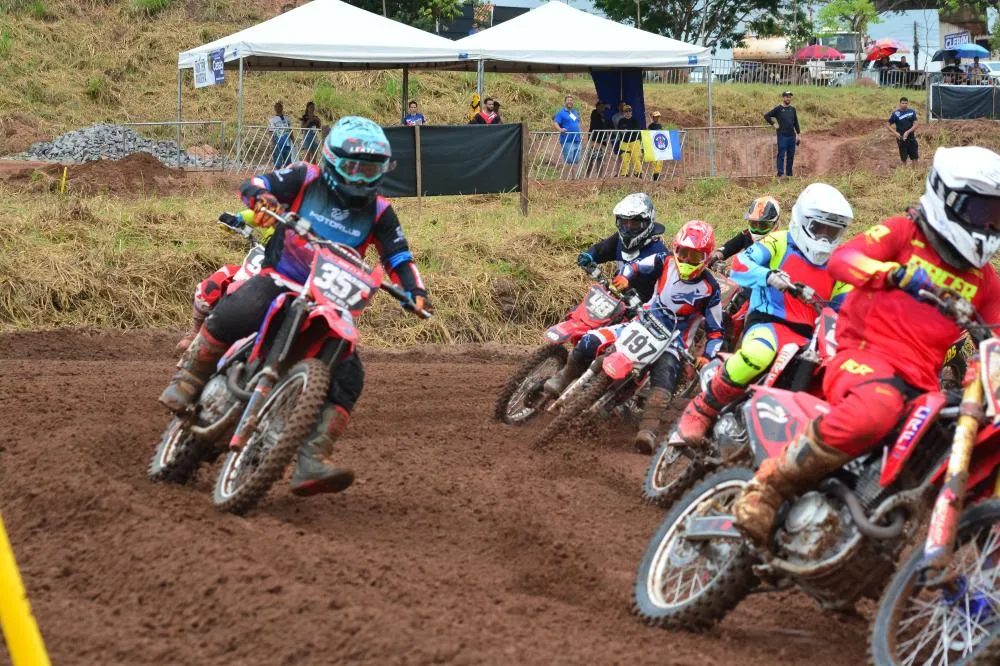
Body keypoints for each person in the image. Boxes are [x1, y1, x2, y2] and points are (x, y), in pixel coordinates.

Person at [730, 146, 1000, 547]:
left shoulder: (985, 280)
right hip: (864, 353)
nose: (989, 223)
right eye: (981, 211)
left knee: (963, 438)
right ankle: (768, 488)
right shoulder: (905, 232)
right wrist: (892, 274)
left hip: (923, 383)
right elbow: (844, 260)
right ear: (947, 198)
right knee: (876, 408)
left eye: (997, 215)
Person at [159, 116, 432, 497]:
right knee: (243, 306)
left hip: (331, 299)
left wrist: (416, 292)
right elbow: (256, 184)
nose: (362, 178)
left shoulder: (380, 211)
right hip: (282, 277)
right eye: (355, 167)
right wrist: (263, 199)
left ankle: (311, 459)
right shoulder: (305, 178)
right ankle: (188, 379)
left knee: (350, 375)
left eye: (371, 170)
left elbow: (399, 257)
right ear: (333, 161)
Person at [673, 184, 854, 447]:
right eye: (819, 228)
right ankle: (702, 409)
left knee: (827, 384)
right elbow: (742, 262)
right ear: (803, 221)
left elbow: (846, 303)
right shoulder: (779, 241)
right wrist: (768, 275)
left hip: (812, 338)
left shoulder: (840, 262)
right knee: (758, 353)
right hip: (770, 321)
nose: (824, 238)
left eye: (832, 231)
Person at [547, 220, 724, 453]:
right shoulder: (664, 260)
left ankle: (648, 429)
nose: (687, 260)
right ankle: (564, 376)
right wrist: (625, 277)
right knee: (591, 340)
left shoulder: (711, 289)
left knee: (664, 378)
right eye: (683, 253)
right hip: (643, 321)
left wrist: (707, 356)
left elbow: (716, 331)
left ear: (706, 257)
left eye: (695, 256)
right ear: (675, 249)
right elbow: (637, 266)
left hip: (674, 342)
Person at [175, 209, 272, 354]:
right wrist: (238, 218)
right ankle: (196, 332)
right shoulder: (287, 210)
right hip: (263, 262)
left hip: (295, 273)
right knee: (216, 282)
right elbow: (262, 214)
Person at [576, 192, 667, 302]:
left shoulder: (657, 250)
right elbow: (600, 250)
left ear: (647, 222)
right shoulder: (618, 240)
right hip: (617, 300)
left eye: (635, 223)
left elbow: (666, 292)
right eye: (624, 222)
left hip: (645, 308)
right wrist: (588, 255)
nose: (628, 228)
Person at [710, 195, 782, 264]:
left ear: (774, 224)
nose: (757, 229)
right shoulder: (747, 234)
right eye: (753, 224)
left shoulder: (780, 242)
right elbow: (731, 246)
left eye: (763, 225)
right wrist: (717, 255)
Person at [763, 91, 801, 177]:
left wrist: (798, 134)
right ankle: (780, 174)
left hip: (792, 136)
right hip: (782, 136)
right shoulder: (778, 109)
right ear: (783, 97)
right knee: (781, 155)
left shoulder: (792, 109)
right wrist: (774, 124)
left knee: (791, 156)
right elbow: (766, 116)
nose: (788, 98)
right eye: (787, 97)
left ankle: (789, 174)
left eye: (790, 97)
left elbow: (796, 122)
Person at [552, 95, 583, 165]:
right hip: (567, 140)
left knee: (576, 161)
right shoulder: (561, 113)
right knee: (569, 161)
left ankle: (573, 173)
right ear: (565, 102)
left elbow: (577, 122)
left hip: (577, 140)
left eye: (571, 100)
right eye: (568, 100)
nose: (570, 102)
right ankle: (567, 172)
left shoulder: (574, 112)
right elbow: (556, 122)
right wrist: (560, 129)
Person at [888, 96, 919, 165]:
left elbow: (916, 124)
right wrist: (895, 133)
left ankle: (915, 171)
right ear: (899, 104)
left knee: (915, 157)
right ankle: (904, 171)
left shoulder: (911, 112)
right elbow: (887, 125)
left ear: (908, 103)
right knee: (903, 158)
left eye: (906, 103)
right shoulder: (896, 114)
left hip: (911, 137)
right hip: (901, 138)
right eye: (903, 103)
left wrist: (908, 132)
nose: (904, 105)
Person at [617, 105, 642, 177]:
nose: (628, 112)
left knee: (636, 157)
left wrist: (628, 131)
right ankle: (624, 174)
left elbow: (638, 130)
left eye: (629, 110)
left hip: (634, 141)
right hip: (624, 142)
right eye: (626, 111)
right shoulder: (621, 121)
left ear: (631, 112)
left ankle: (638, 173)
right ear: (623, 112)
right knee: (624, 158)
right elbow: (619, 130)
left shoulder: (635, 120)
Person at [586, 100, 611, 176]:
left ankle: (599, 176)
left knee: (600, 159)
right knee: (591, 158)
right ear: (597, 106)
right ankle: (587, 175)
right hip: (594, 139)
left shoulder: (605, 116)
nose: (603, 108)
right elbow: (598, 110)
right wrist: (605, 105)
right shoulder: (594, 113)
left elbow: (609, 127)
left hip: (602, 140)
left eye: (604, 107)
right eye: (602, 106)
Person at [268, 101, 294, 169]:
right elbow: (270, 131)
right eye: (276, 107)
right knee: (278, 163)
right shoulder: (272, 119)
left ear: (282, 108)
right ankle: (277, 174)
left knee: (288, 162)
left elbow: (290, 130)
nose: (278, 108)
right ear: (274, 108)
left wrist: (293, 140)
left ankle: (287, 174)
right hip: (277, 143)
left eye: (279, 106)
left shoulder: (287, 118)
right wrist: (271, 142)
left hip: (287, 143)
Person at [647, 111, 664, 181]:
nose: (657, 118)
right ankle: (655, 175)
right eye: (656, 117)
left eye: (658, 117)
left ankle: (657, 174)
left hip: (659, 145)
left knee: (660, 161)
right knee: (654, 161)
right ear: (653, 117)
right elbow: (648, 134)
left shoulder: (660, 125)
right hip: (653, 145)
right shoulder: (650, 126)